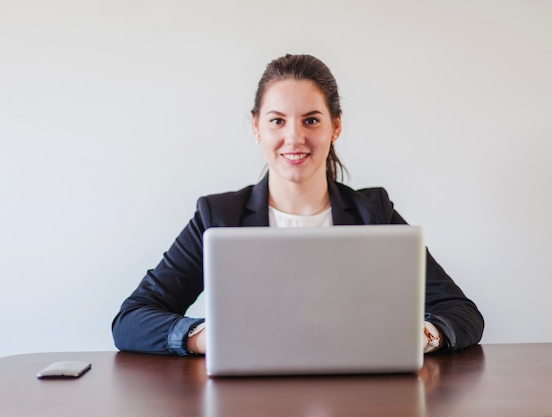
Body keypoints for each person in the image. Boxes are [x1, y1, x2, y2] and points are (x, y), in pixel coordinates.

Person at [112, 54, 484, 356]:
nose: (295, 137)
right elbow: (131, 320)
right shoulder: (219, 217)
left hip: (359, 398)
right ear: (256, 126)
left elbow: (463, 313)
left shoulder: (375, 213)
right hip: (249, 402)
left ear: (335, 127)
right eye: (277, 121)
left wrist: (425, 336)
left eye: (311, 120)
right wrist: (205, 338)